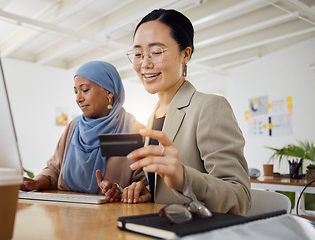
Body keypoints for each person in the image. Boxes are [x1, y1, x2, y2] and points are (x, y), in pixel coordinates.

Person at [122, 9, 251, 215]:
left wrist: (183, 178)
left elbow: (240, 197)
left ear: (185, 54)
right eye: (138, 54)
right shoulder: (152, 118)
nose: (145, 63)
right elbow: (164, 191)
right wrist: (145, 190)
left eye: (156, 52)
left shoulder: (209, 107)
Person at [20, 61, 147, 202]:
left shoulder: (133, 131)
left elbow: (144, 186)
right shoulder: (74, 127)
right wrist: (36, 182)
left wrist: (120, 191)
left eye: (85, 90)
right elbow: (54, 169)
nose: (78, 98)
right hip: (66, 213)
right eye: (76, 92)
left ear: (109, 92)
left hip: (109, 216)